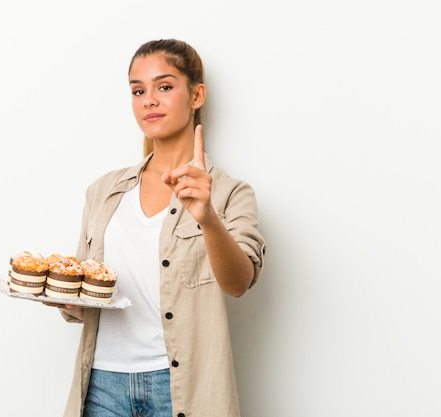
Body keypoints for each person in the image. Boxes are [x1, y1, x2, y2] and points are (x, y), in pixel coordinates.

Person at [49, 39, 266, 417]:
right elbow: (89, 294)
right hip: (102, 385)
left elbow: (239, 283)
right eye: (138, 90)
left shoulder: (231, 192)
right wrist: (68, 297)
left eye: (164, 86)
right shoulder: (103, 191)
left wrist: (207, 217)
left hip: (181, 388)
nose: (149, 100)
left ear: (196, 95)